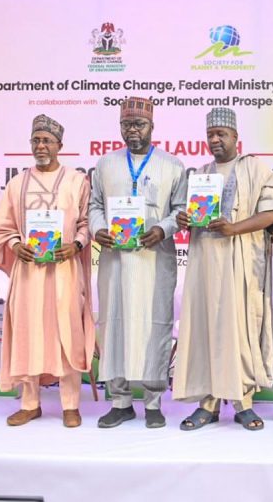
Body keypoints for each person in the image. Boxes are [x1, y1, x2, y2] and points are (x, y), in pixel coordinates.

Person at [173, 107, 273, 431]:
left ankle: (243, 403)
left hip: (240, 263)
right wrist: (183, 219)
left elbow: (272, 213)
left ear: (236, 137)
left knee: (239, 331)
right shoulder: (200, 174)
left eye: (221, 134)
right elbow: (186, 213)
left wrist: (234, 228)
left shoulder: (255, 168)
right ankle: (208, 404)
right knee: (205, 329)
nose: (215, 139)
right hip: (204, 263)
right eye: (210, 135)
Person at [0, 115, 95, 427]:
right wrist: (14, 244)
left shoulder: (77, 181)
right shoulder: (17, 184)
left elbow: (87, 222)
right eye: (35, 140)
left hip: (64, 270)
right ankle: (30, 403)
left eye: (47, 140)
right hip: (29, 272)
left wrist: (76, 245)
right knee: (29, 332)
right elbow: (2, 227)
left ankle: (70, 405)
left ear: (59, 145)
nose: (40, 146)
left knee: (67, 333)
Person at [89, 97, 187, 429]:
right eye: (126, 124)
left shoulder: (171, 165)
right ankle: (120, 402)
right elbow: (94, 205)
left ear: (151, 127)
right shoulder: (106, 164)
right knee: (113, 324)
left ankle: (154, 401)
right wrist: (98, 229)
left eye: (139, 124)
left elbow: (181, 209)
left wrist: (163, 229)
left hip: (154, 259)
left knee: (155, 326)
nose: (132, 130)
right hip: (116, 259)